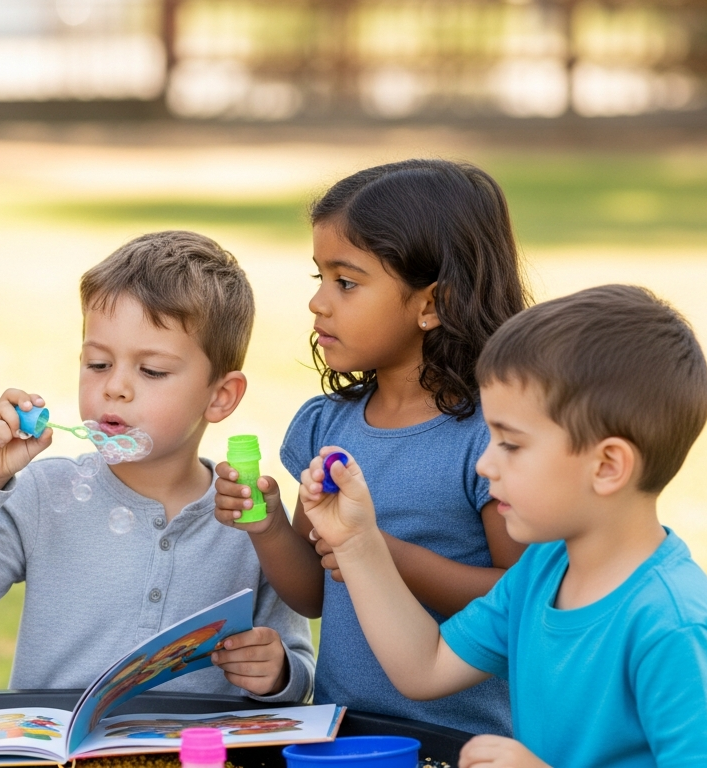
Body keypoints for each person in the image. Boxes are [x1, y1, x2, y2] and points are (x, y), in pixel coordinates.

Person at [299, 285, 707, 767]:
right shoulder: (542, 572)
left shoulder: (674, 627)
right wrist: (358, 541)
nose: (485, 465)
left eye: (510, 444)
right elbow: (424, 667)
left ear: (608, 465)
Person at [0, 231, 314, 702]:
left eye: (151, 371)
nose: (115, 387)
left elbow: (298, 665)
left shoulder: (248, 514)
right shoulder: (42, 495)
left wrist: (278, 673)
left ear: (220, 397)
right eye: (97, 364)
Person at [213, 160, 528, 733]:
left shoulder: (492, 436)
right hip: (343, 734)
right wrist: (266, 524)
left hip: (463, 741)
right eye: (320, 278)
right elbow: (313, 592)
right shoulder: (327, 427)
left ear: (432, 303)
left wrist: (379, 554)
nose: (319, 303)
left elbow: (522, 597)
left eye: (347, 282)